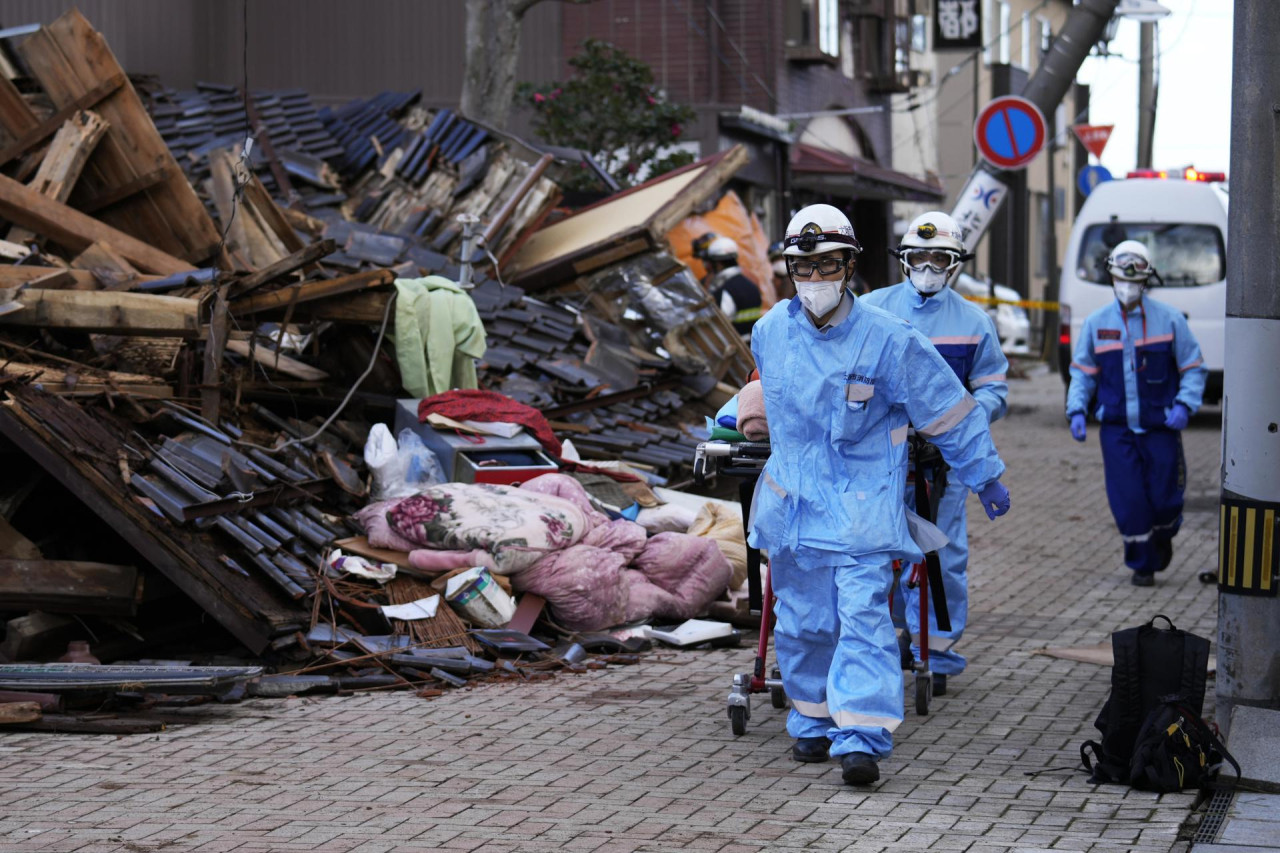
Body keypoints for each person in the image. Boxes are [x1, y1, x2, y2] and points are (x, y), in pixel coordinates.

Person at [749, 203, 1011, 785]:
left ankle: (862, 736)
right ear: (790, 269)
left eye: (828, 265)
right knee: (802, 623)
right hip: (794, 509)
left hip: (863, 510)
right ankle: (813, 721)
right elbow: (765, 400)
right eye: (804, 267)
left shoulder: (891, 339)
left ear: (850, 265)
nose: (816, 279)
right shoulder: (769, 333)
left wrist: (983, 473)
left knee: (865, 618)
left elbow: (947, 410)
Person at [861, 211, 1008, 697]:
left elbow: (993, 388)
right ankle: (887, 640)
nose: (927, 266)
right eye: (918, 256)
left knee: (943, 555)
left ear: (954, 263)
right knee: (877, 551)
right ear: (903, 260)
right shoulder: (870, 310)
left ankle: (938, 650)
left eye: (938, 257)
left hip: (944, 464)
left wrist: (965, 419)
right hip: (879, 459)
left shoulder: (973, 322)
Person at [1065, 240, 1206, 587]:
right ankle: (1142, 564)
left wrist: (1185, 405)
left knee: (1164, 500)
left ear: (1146, 280)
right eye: (1120, 277)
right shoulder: (1097, 324)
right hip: (1117, 431)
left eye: (1134, 278)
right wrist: (1076, 410)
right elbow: (1083, 372)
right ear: (1111, 277)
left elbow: (1194, 368)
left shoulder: (1170, 320)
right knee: (1128, 501)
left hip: (1161, 428)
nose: (1127, 286)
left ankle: (1164, 535)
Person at [704, 236, 763, 339]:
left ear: (718, 263)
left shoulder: (726, 290)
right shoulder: (751, 286)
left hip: (738, 349)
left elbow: (722, 325)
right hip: (755, 344)